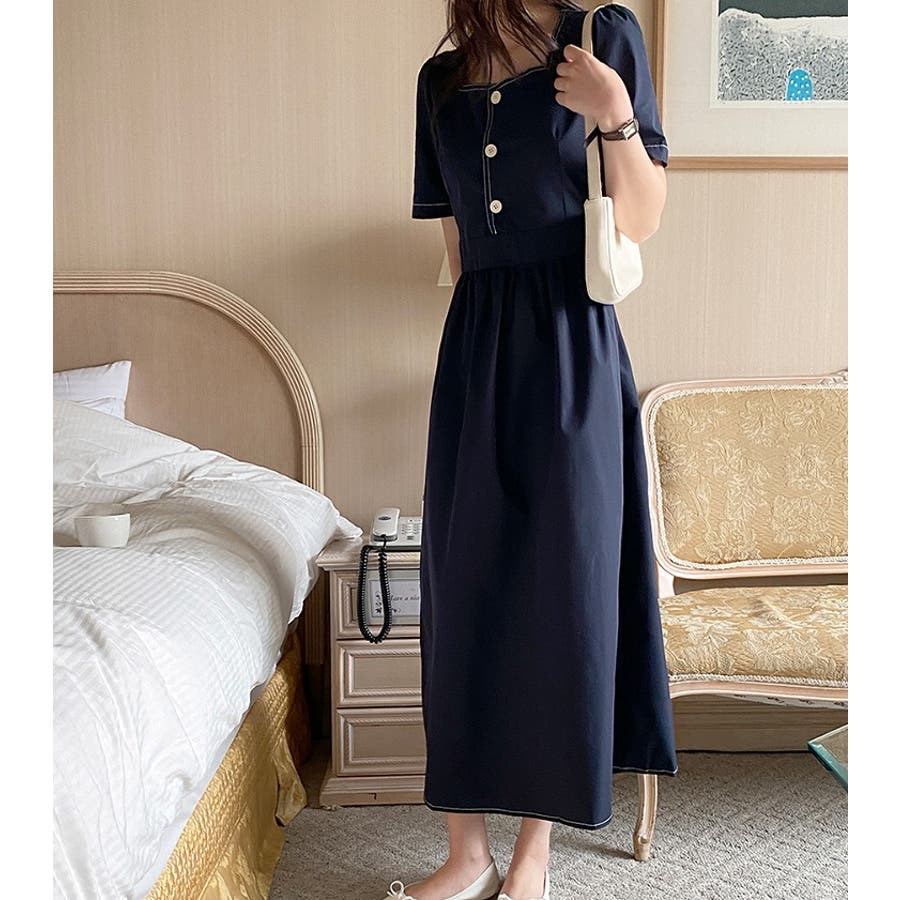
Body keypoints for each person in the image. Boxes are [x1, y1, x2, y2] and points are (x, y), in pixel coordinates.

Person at [386, 3, 677, 898]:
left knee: (562, 588)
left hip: (571, 344)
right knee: (464, 587)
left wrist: (614, 109)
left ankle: (533, 856)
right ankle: (465, 852)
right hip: (476, 348)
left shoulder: (599, 37)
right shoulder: (439, 81)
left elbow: (643, 216)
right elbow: (456, 241)